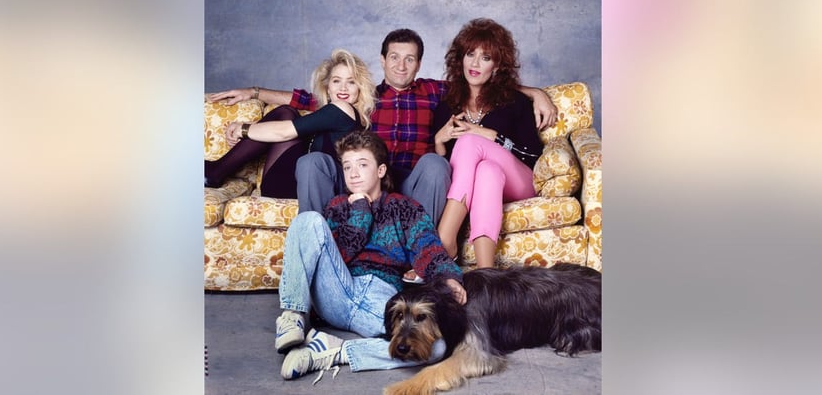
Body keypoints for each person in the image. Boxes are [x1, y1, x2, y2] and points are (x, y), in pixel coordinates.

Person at [208, 29, 557, 222]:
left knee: (435, 163)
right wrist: (254, 92)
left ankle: (425, 252)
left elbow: (481, 81)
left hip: (417, 178)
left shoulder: (436, 90)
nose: (401, 66)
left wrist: (534, 92)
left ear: (420, 62)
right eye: (394, 57)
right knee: (317, 159)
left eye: (410, 59)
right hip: (378, 178)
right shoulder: (365, 96)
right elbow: (306, 100)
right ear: (382, 60)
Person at [275, 129, 466, 381]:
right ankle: (292, 316)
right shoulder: (337, 206)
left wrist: (449, 278)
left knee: (435, 348)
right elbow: (336, 255)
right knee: (307, 220)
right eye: (347, 166)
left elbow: (429, 248)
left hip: (381, 300)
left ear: (381, 171)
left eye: (362, 165)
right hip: (336, 291)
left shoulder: (404, 208)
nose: (353, 173)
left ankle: (333, 351)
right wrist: (361, 211)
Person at [430, 18, 545, 269]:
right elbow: (450, 170)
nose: (474, 63)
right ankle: (486, 274)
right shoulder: (447, 106)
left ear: (497, 66)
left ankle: (444, 240)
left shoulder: (515, 101)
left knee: (471, 142)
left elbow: (532, 155)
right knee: (486, 171)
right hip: (485, 183)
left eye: (485, 58)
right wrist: (439, 143)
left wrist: (488, 135)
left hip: (521, 180)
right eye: (470, 54)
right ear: (460, 58)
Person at [203, 49, 374, 199]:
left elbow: (284, 132)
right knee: (286, 111)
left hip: (301, 188)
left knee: (286, 116)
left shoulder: (342, 109)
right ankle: (216, 171)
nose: (343, 88)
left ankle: (216, 171)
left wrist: (243, 129)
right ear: (328, 87)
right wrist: (253, 93)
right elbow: (301, 100)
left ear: (360, 88)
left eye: (351, 82)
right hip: (300, 183)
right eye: (336, 81)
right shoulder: (339, 113)